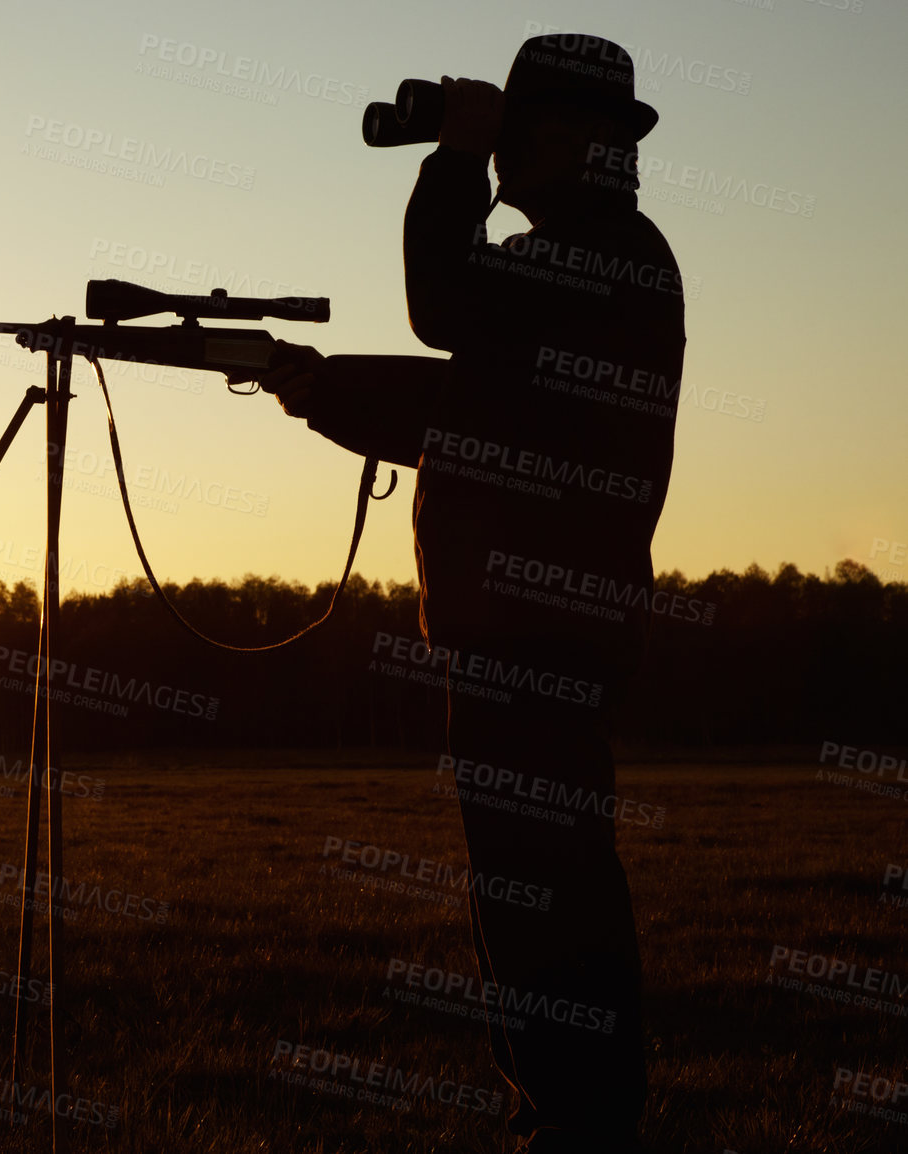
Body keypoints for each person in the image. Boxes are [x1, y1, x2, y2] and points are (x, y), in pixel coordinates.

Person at [260, 34, 686, 1154]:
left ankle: (577, 1121)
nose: (499, 161)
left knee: (545, 891)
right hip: (525, 622)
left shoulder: (602, 255)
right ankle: (562, 1116)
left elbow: (443, 308)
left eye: (512, 138)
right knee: (529, 890)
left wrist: (450, 159)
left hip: (538, 623)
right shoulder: (592, 263)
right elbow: (473, 409)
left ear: (573, 142)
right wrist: (323, 390)